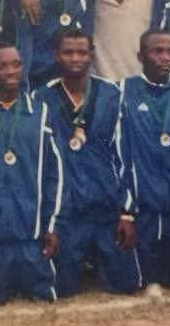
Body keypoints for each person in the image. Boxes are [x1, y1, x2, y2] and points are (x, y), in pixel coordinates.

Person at [34, 28, 139, 297]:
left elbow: (125, 155)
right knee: (61, 289)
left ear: (92, 55)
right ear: (56, 55)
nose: (75, 58)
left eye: (82, 52)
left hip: (104, 207)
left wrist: (126, 212)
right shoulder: (41, 98)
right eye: (68, 52)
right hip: (67, 213)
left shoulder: (111, 94)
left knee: (126, 284)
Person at [0, 42, 63, 304]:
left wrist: (51, 226)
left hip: (30, 236)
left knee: (44, 299)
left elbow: (55, 174)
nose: (11, 71)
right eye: (2, 66)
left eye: (16, 65)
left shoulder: (41, 113)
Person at [118, 29, 170, 292]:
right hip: (143, 210)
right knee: (136, 283)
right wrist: (125, 211)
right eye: (158, 51)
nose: (166, 58)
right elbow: (120, 154)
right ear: (141, 56)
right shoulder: (123, 90)